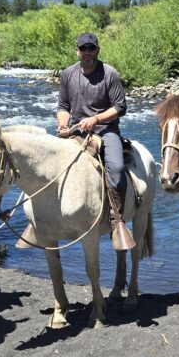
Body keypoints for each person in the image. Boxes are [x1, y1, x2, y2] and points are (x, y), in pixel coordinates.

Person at [56, 32, 135, 251]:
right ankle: (43, 219)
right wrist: (63, 125)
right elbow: (63, 107)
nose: (87, 52)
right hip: (77, 129)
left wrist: (96, 119)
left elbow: (120, 107)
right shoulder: (68, 74)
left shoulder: (109, 73)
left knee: (116, 168)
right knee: (51, 161)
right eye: (83, 49)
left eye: (91, 48)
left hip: (106, 130)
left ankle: (117, 221)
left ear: (97, 50)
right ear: (77, 51)